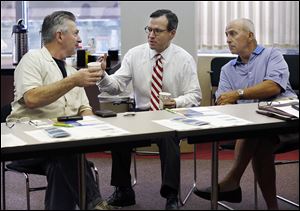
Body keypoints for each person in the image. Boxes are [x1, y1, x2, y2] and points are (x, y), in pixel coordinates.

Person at [97, 9, 202, 210]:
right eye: (149, 30)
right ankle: (124, 191)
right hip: (142, 114)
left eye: (157, 31)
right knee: (118, 134)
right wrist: (103, 75)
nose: (151, 35)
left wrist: (176, 102)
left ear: (172, 33)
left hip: (170, 115)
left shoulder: (184, 58)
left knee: (168, 136)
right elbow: (116, 85)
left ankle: (171, 195)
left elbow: (195, 95)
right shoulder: (135, 54)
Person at [7, 11, 111, 210]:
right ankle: (96, 204)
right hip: (27, 143)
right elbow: (31, 98)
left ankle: (94, 205)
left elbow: (84, 109)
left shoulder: (72, 71)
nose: (79, 39)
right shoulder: (32, 60)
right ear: (60, 35)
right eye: (76, 33)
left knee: (62, 158)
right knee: (68, 153)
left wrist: (96, 129)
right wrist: (73, 81)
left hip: (59, 146)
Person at [193, 18, 298, 210]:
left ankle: (232, 180)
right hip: (254, 129)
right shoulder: (227, 70)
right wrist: (226, 101)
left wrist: (238, 94)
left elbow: (273, 86)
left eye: (232, 33)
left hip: (285, 123)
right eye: (226, 35)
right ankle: (271, 207)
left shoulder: (272, 55)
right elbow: (222, 101)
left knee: (255, 132)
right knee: (260, 140)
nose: (228, 39)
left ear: (250, 35)